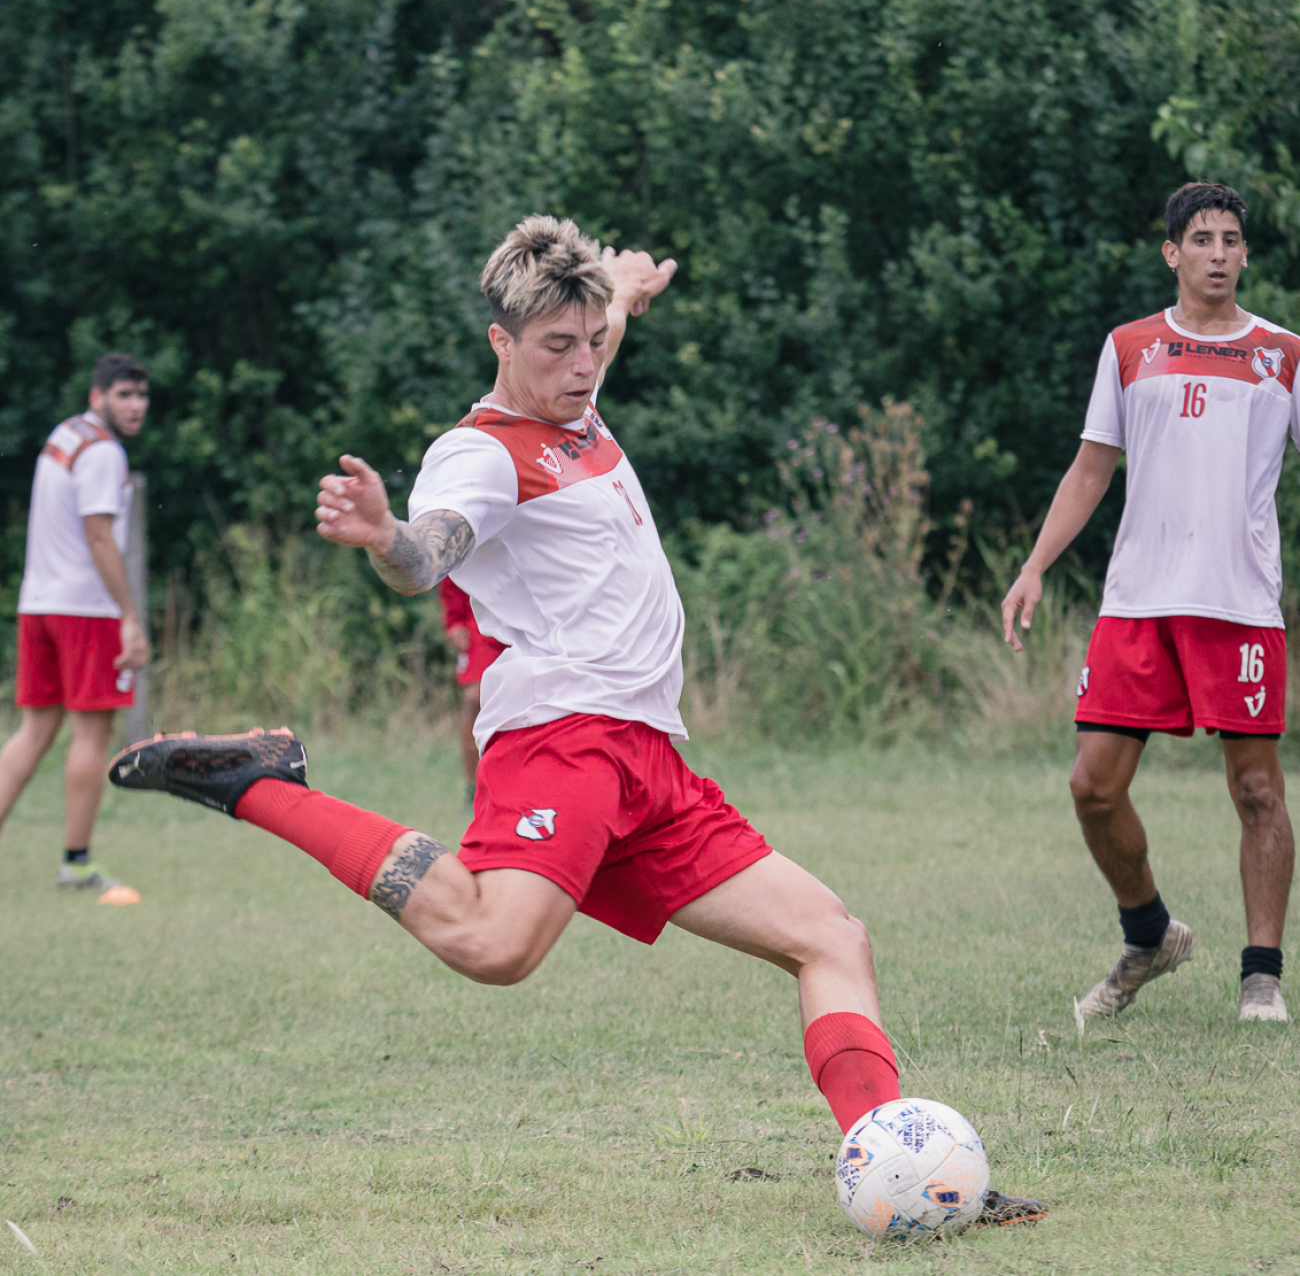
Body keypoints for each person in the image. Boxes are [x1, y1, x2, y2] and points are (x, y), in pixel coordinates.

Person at [110, 217, 1040, 1224]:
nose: (583, 364)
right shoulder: (482, 453)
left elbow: (596, 330)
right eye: (557, 345)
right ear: (500, 342)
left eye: (593, 341)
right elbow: (429, 550)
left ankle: (906, 1169)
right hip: (565, 741)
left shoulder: (578, 396)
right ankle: (259, 782)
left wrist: (621, 294)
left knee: (830, 937)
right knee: (493, 946)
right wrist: (385, 535)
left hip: (647, 760)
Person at [1002, 182, 1298, 1024]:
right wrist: (1032, 566)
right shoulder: (1131, 346)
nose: (1216, 253)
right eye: (1200, 238)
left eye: (1231, 240)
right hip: (1140, 603)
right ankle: (1149, 935)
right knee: (1092, 786)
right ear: (1172, 253)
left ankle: (1261, 978)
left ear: (1245, 254)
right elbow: (1092, 468)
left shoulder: (1283, 352)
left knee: (1256, 792)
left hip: (1240, 605)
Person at [0, 351, 150, 895]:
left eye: (141, 396)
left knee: (35, 730)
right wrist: (130, 617)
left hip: (37, 601)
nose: (135, 406)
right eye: (123, 395)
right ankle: (78, 864)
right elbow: (100, 536)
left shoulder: (64, 435)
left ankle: (76, 860)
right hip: (85, 609)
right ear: (98, 396)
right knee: (93, 731)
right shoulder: (104, 452)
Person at [437, 578, 506, 799]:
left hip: (534, 618)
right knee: (473, 698)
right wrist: (454, 619)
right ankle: (472, 788)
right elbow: (455, 559)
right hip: (481, 622)